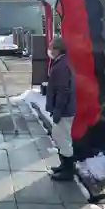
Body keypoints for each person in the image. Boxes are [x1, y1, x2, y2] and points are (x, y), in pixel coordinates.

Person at [45, 36, 76, 181]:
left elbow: (63, 90)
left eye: (52, 48)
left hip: (64, 110)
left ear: (58, 50)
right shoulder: (62, 62)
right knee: (60, 136)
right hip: (65, 108)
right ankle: (64, 165)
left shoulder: (62, 66)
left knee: (62, 138)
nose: (50, 50)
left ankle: (68, 170)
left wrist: (58, 109)